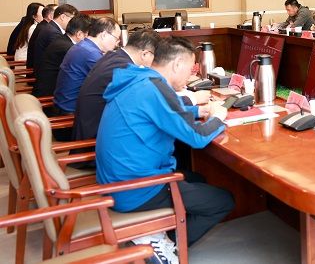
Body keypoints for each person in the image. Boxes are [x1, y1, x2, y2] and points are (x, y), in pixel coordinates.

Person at [96, 37, 234, 260]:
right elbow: (197, 138)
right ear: (177, 64)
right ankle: (163, 240)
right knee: (223, 201)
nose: (190, 75)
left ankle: (158, 232)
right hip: (136, 190)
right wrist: (218, 117)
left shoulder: (139, 79)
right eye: (190, 69)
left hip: (115, 180)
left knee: (197, 178)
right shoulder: (155, 88)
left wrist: (197, 112)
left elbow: (157, 112)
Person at [73, 29, 161, 142]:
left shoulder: (112, 56)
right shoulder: (124, 69)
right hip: (96, 137)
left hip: (90, 125)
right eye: (155, 58)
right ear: (145, 54)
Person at [53, 17, 121, 115]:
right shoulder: (90, 53)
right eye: (116, 39)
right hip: (71, 111)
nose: (117, 44)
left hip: (65, 104)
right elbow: (113, 81)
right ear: (104, 35)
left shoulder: (84, 45)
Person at [33, 14, 91, 98]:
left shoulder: (63, 40)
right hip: (50, 95)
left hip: (51, 88)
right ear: (79, 34)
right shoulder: (68, 48)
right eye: (88, 36)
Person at [27, 4, 77, 69]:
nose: (73, 23)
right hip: (48, 72)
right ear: (63, 17)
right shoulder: (53, 32)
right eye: (72, 19)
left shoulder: (51, 27)